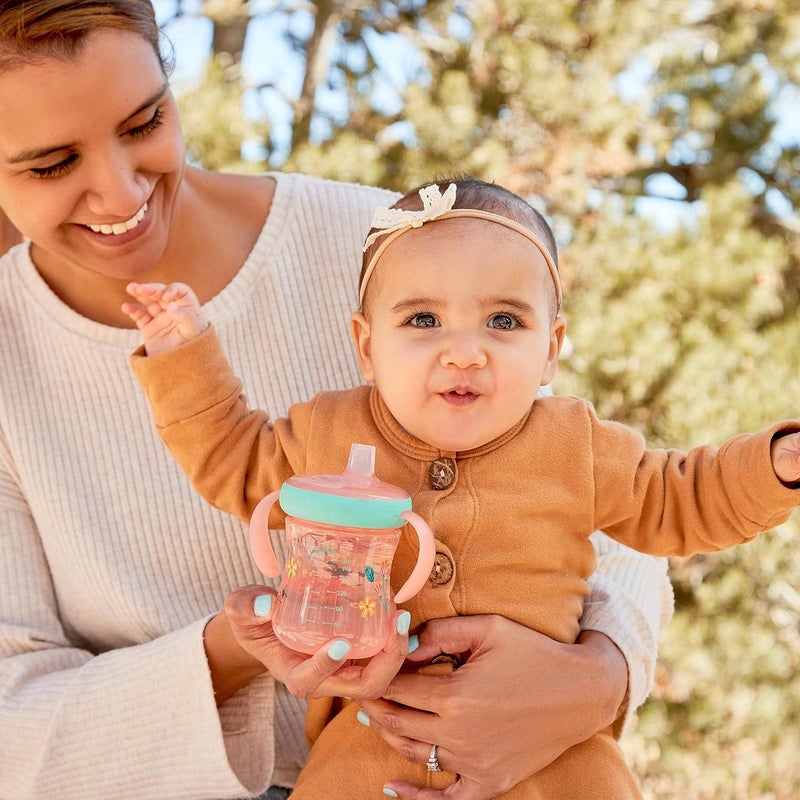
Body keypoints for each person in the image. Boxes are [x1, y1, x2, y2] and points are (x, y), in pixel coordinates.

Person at [0, 2, 674, 799]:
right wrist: (238, 648)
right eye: (50, 165)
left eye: (145, 121)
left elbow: (601, 501)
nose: (117, 191)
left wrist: (598, 676)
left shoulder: (379, 243)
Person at [123, 177, 800, 799]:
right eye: (423, 320)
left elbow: (684, 497)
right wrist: (183, 353)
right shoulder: (328, 432)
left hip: (554, 753)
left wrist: (775, 465)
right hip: (371, 744)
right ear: (366, 345)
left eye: (504, 321)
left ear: (552, 348)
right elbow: (233, 459)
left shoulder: (578, 444)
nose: (465, 351)